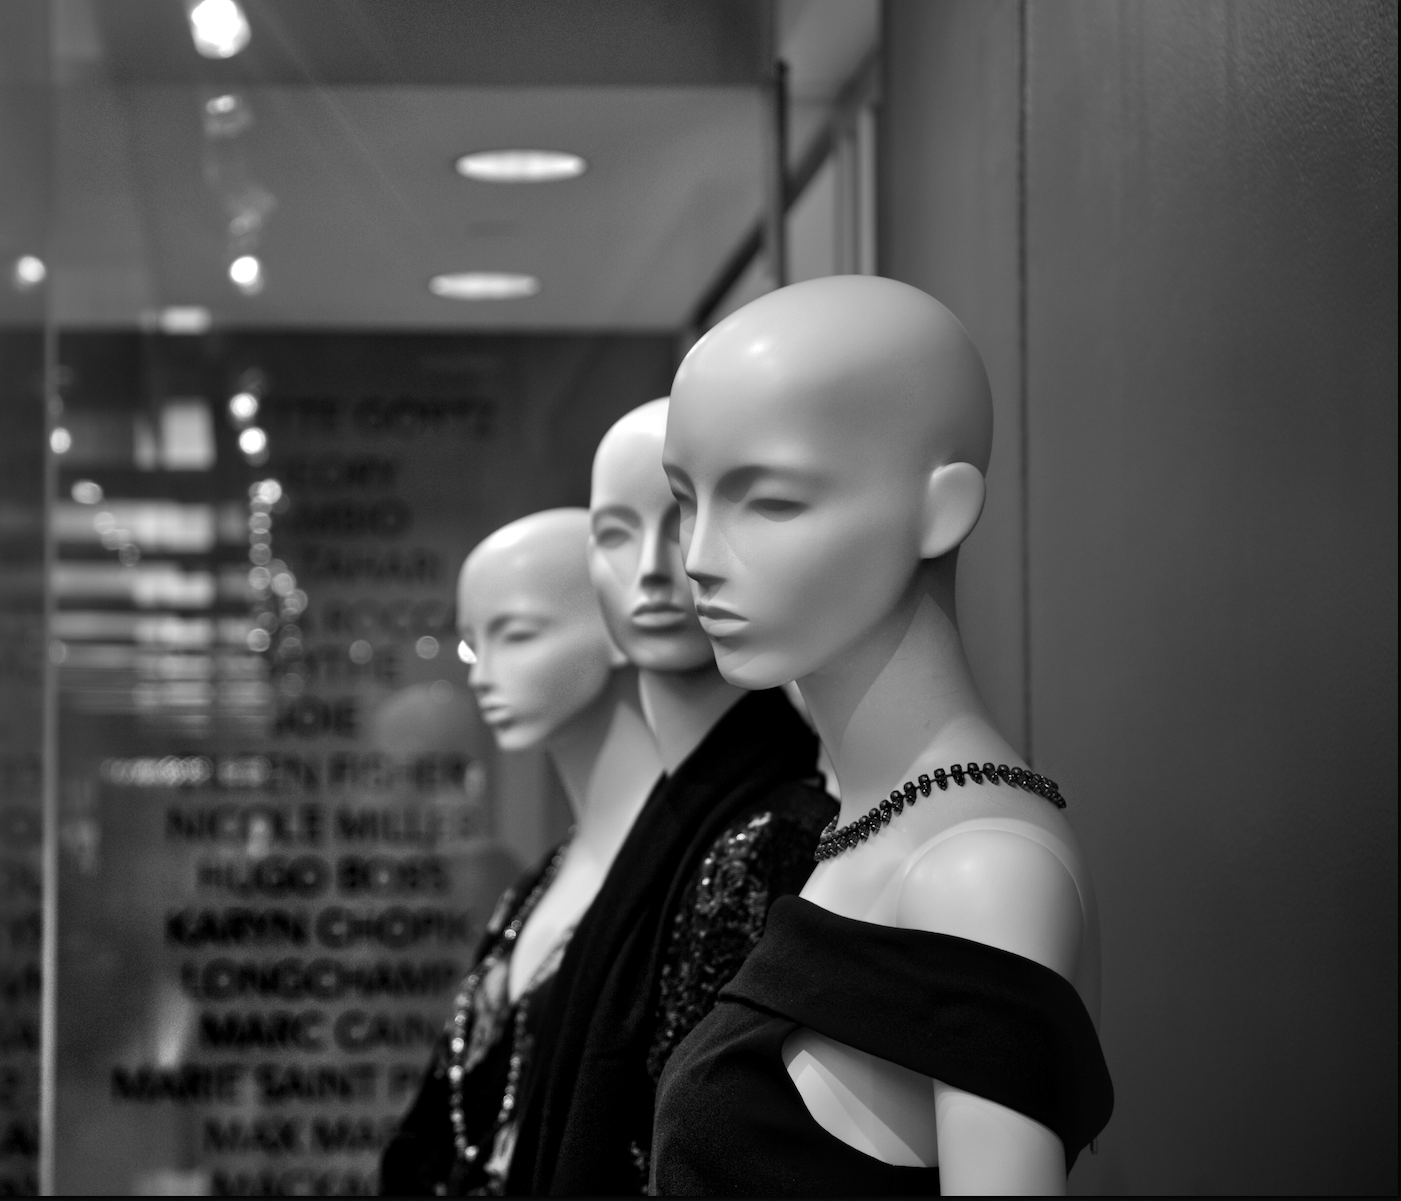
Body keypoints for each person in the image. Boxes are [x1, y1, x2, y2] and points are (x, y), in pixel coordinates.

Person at [652, 276, 1111, 1195]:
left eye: (770, 502)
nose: (698, 556)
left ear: (940, 508)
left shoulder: (979, 873)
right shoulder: (868, 828)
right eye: (684, 500)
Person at [499, 400, 838, 1195]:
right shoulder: (656, 832)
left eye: (679, 520)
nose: (653, 566)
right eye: (615, 531)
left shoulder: (772, 839)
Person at [382, 510, 662, 1196]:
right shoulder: (541, 880)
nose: (481, 675)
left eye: (517, 634)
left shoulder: (702, 866)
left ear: (622, 625)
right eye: (474, 644)